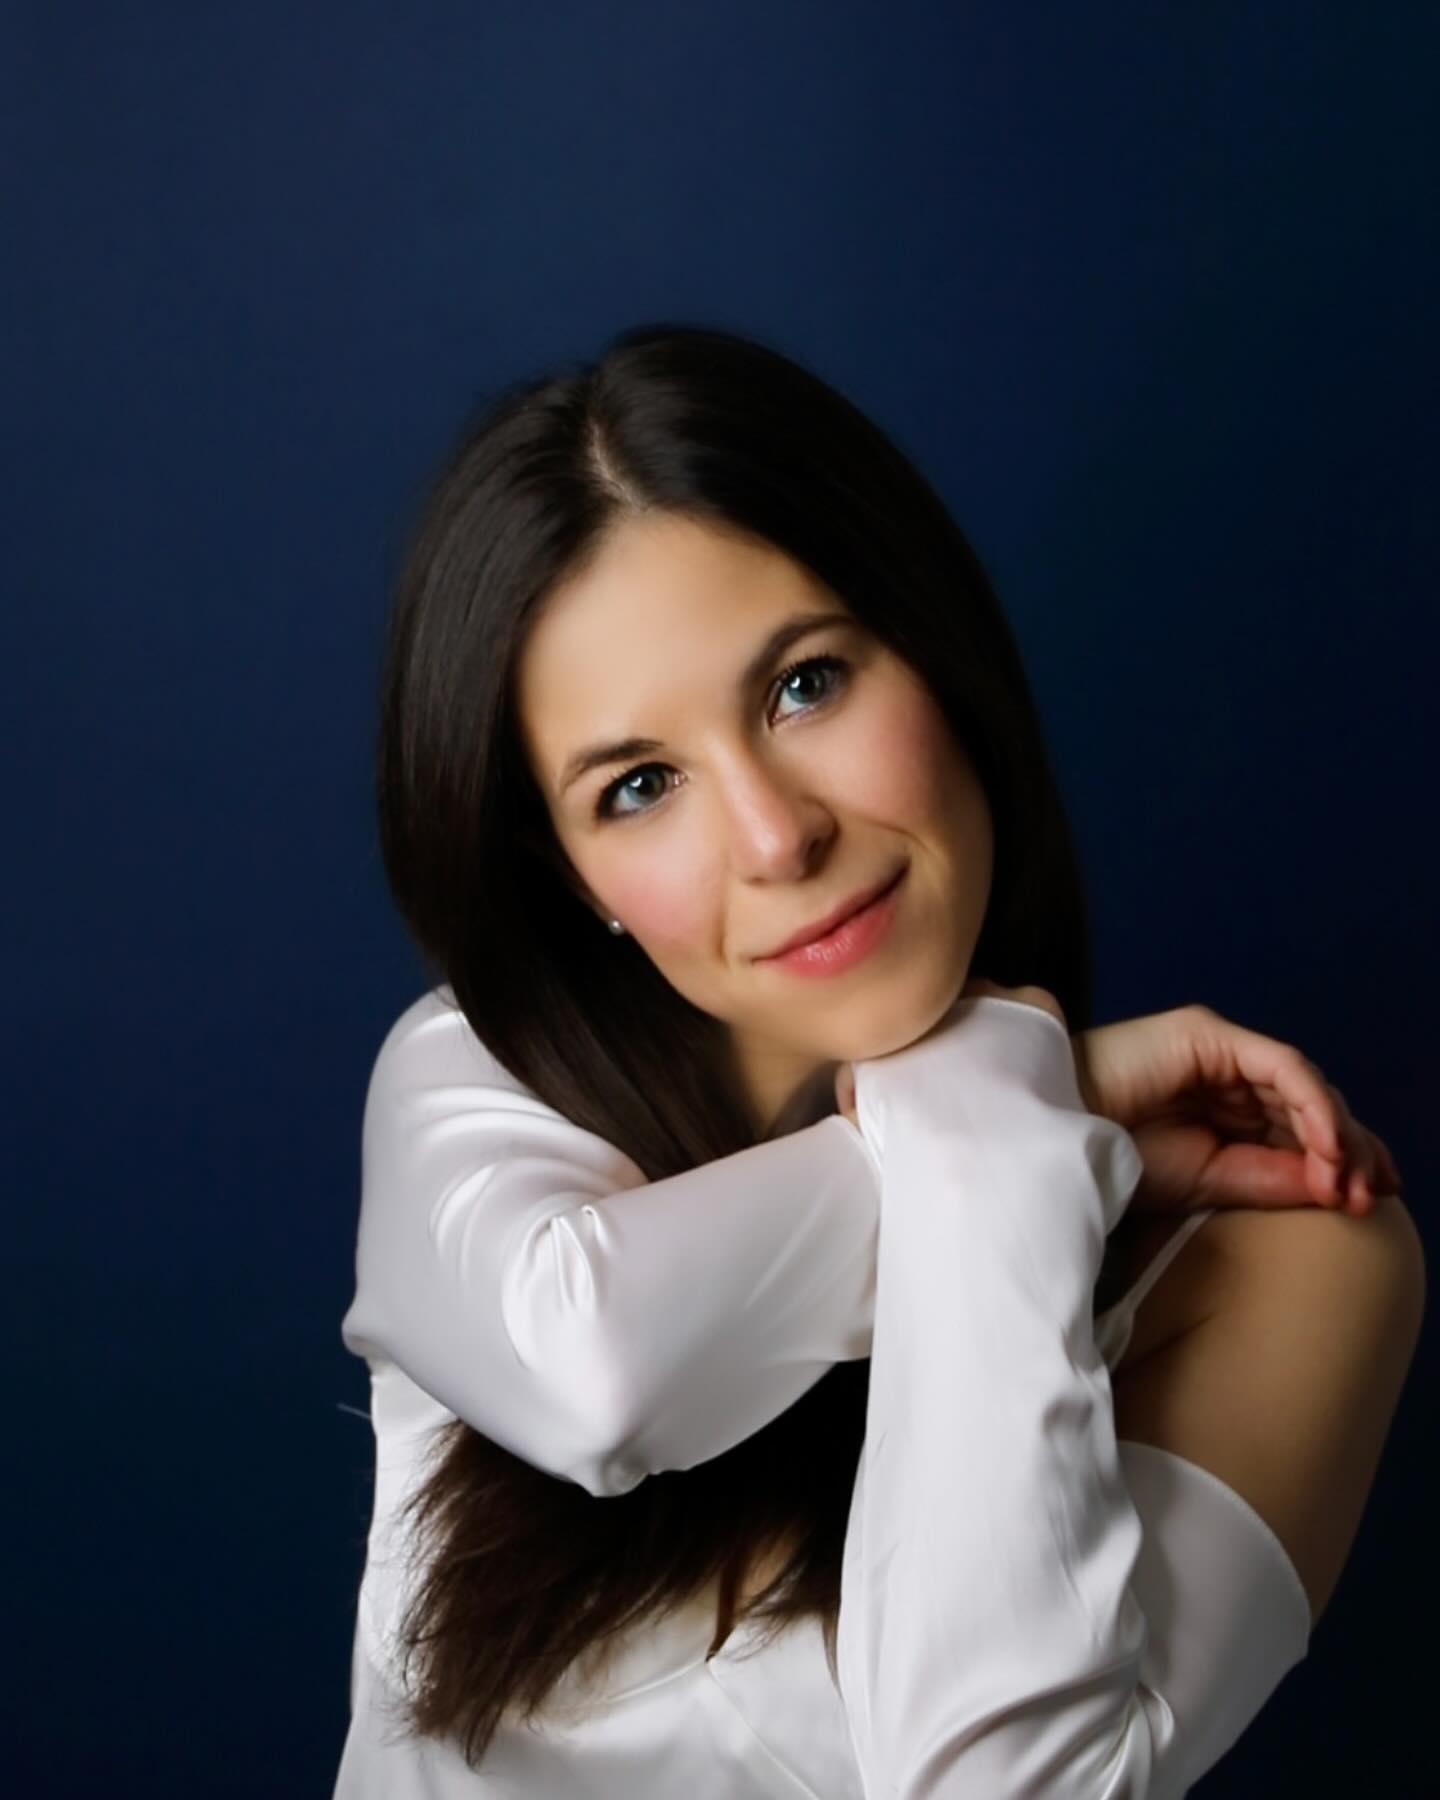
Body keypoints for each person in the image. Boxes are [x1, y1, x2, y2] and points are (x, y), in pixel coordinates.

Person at [334, 322, 1422, 1796]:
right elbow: (597, 1374)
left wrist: (990, 1123)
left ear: (934, 650)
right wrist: (1024, 1098)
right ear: (576, 878)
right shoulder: (480, 1082)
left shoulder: (1286, 1260)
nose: (777, 836)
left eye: (805, 686)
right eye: (641, 786)